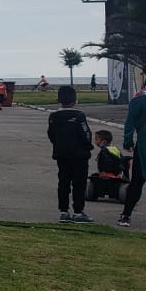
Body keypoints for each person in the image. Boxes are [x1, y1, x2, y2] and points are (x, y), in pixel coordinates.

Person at [117, 63, 146, 228]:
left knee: (137, 182)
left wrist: (128, 142)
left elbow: (129, 125)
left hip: (145, 146)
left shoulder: (138, 102)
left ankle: (126, 215)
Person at [47, 85, 94, 223]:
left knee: (63, 183)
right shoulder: (79, 116)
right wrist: (87, 146)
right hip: (79, 155)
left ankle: (63, 211)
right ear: (74, 100)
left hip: (61, 154)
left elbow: (51, 135)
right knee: (79, 184)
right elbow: (86, 134)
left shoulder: (53, 116)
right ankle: (78, 212)